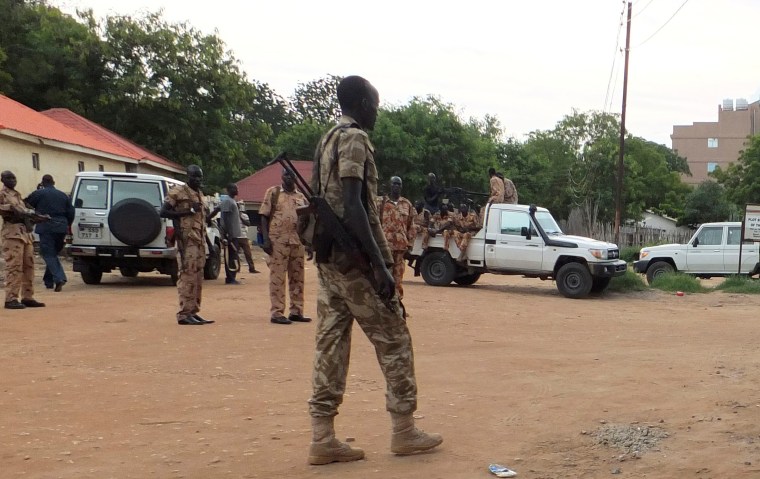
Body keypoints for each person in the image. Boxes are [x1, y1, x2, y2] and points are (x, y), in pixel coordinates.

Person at [307, 76, 442, 465]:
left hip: (330, 259)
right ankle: (404, 430)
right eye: (375, 105)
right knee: (395, 338)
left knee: (330, 344)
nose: (377, 113)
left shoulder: (325, 139)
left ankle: (322, 436)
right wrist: (380, 266)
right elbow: (353, 205)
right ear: (363, 102)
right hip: (355, 261)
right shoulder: (354, 139)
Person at [159, 165, 214, 325]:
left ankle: (193, 311)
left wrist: (209, 244)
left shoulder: (200, 194)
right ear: (187, 176)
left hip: (199, 240)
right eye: (194, 177)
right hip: (186, 240)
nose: (197, 180)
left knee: (197, 277)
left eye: (200, 177)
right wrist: (188, 211)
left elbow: (203, 220)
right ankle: (184, 313)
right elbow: (163, 212)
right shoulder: (178, 192)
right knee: (187, 276)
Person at [259, 168, 311, 325]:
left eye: (292, 175)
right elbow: (263, 215)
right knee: (278, 278)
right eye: (286, 175)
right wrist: (266, 240)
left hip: (297, 241)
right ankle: (277, 312)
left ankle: (296, 311)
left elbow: (307, 220)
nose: (289, 178)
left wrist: (308, 242)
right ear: (282, 176)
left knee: (298, 278)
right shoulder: (273, 193)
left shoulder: (301, 197)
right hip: (278, 241)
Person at [0, 170, 47, 309]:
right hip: (12, 233)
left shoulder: (17, 195)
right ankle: (11, 298)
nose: (12, 180)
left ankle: (27, 296)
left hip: (25, 233)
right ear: (2, 179)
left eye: (14, 177)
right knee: (14, 265)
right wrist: (11, 208)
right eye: (9, 178)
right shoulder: (3, 194)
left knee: (29, 265)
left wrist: (39, 217)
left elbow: (26, 211)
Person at [24, 174, 75, 291]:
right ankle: (48, 281)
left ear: (42, 182)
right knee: (52, 254)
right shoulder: (63, 195)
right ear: (54, 182)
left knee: (48, 254)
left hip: (46, 226)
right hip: (61, 227)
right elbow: (71, 212)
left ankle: (59, 278)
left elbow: (26, 204)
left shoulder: (39, 193)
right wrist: (67, 225)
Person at [377, 176, 415, 300]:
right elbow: (374, 223)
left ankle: (397, 305)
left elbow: (411, 226)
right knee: (383, 276)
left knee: (398, 278)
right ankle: (383, 304)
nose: (396, 186)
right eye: (394, 183)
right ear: (390, 185)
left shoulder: (407, 204)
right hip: (384, 247)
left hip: (400, 247)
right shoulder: (380, 203)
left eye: (399, 184)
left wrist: (410, 246)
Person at [220, 184, 243, 285]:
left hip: (235, 234)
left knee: (233, 255)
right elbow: (226, 218)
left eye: (237, 188)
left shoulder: (232, 201)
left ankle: (232, 276)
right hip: (231, 234)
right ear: (229, 190)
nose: (237, 190)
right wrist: (228, 234)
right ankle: (230, 277)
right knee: (231, 256)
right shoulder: (228, 201)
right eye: (234, 188)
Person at [237, 200, 259, 274]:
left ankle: (251, 268)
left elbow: (248, 223)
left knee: (248, 253)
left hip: (243, 236)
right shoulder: (233, 216)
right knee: (235, 254)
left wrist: (241, 217)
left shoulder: (244, 215)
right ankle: (237, 268)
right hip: (236, 236)